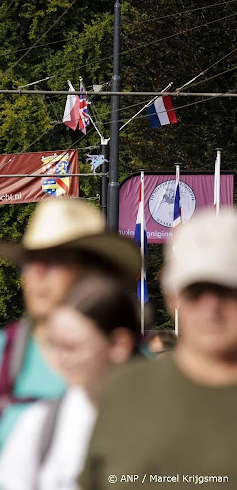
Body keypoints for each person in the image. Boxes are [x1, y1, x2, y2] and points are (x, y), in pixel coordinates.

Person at [0, 197, 142, 490]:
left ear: (92, 271)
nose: (36, 273)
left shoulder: (135, 363)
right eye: (30, 261)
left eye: (55, 260)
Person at [79, 210, 237, 489]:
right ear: (171, 297)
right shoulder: (123, 390)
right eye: (195, 292)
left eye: (226, 290)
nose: (211, 307)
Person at [0, 274, 141, 490]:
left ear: (119, 345)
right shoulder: (40, 424)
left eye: (73, 347)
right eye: (54, 345)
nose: (61, 360)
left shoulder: (164, 420)